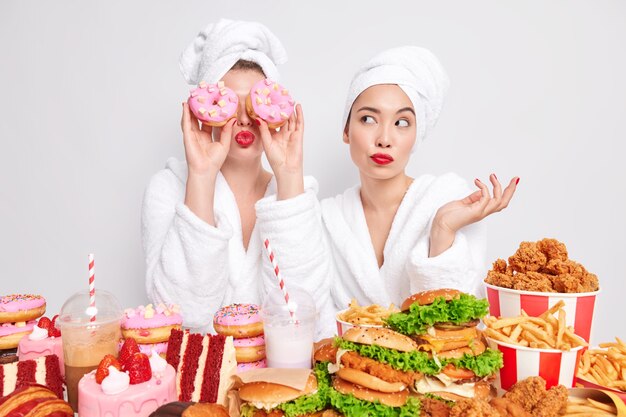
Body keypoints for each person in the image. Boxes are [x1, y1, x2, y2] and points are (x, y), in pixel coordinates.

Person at [142, 19, 331, 336]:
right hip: (200, 376)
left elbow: (304, 311)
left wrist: (289, 175)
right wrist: (201, 177)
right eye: (229, 103)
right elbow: (180, 314)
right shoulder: (168, 188)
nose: (245, 119)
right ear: (205, 110)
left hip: (281, 376)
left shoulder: (295, 195)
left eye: (255, 103)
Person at [321, 46, 519, 312]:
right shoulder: (329, 218)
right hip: (346, 354)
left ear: (417, 135)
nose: (384, 139)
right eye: (368, 119)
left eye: (402, 123)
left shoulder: (445, 201)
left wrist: (442, 231)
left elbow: (458, 320)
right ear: (346, 130)